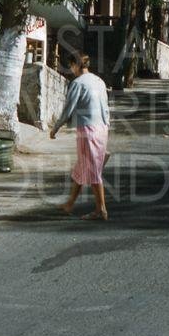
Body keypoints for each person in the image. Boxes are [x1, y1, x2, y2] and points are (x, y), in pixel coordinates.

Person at [50, 53, 111, 220]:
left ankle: (101, 210)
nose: (71, 70)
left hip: (87, 130)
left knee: (92, 171)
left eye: (71, 66)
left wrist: (55, 128)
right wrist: (107, 128)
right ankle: (69, 204)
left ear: (75, 65)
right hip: (102, 128)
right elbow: (106, 108)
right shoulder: (99, 81)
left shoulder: (77, 83)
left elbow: (68, 109)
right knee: (83, 167)